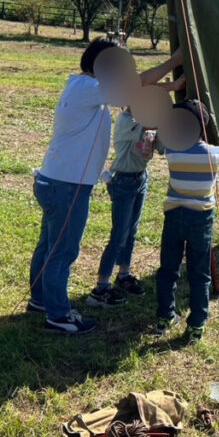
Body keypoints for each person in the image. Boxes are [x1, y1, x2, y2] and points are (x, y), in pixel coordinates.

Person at [28, 41, 181, 335]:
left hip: (55, 181)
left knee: (48, 246)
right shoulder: (88, 89)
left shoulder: (83, 87)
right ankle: (58, 315)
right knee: (62, 252)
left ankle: (40, 300)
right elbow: (138, 84)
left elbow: (137, 90)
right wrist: (174, 61)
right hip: (68, 187)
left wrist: (174, 86)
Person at [87, 71, 186, 308]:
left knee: (131, 231)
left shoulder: (148, 123)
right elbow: (148, 124)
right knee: (119, 234)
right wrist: (170, 91)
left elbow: (161, 145)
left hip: (140, 179)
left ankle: (124, 273)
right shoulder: (125, 122)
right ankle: (100, 286)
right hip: (122, 181)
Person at [155, 98, 219, 342]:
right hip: (201, 219)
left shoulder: (172, 151)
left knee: (168, 269)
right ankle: (196, 324)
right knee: (199, 273)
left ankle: (165, 316)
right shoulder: (216, 154)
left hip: (174, 215)